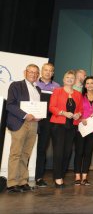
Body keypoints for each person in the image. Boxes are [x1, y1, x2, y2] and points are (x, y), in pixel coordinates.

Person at [6, 64, 42, 193]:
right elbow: (10, 105)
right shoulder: (16, 85)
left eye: (35, 73)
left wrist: (39, 116)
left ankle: (22, 181)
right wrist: (26, 115)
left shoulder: (38, 90)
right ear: (25, 72)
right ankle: (11, 183)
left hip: (33, 124)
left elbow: (37, 108)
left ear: (38, 75)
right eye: (30, 72)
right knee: (16, 153)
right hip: (20, 122)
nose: (33, 74)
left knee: (26, 154)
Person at [49, 70, 83, 188]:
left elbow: (80, 109)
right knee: (58, 153)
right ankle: (58, 178)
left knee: (67, 153)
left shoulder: (78, 94)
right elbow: (52, 107)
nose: (69, 79)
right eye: (67, 77)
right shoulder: (57, 91)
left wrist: (78, 114)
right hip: (58, 126)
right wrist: (63, 113)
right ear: (63, 79)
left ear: (74, 81)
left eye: (72, 78)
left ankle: (61, 175)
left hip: (71, 127)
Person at [34, 62, 60, 188]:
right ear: (41, 71)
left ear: (53, 73)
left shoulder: (57, 86)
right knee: (39, 150)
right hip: (36, 120)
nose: (48, 72)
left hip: (53, 121)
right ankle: (37, 177)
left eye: (50, 71)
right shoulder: (34, 84)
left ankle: (55, 177)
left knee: (53, 149)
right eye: (46, 70)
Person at [73, 76, 93, 186]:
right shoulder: (79, 96)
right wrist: (80, 118)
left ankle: (84, 177)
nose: (89, 85)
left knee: (88, 153)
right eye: (87, 83)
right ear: (85, 85)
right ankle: (77, 176)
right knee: (79, 152)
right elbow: (75, 110)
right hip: (81, 128)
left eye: (91, 83)